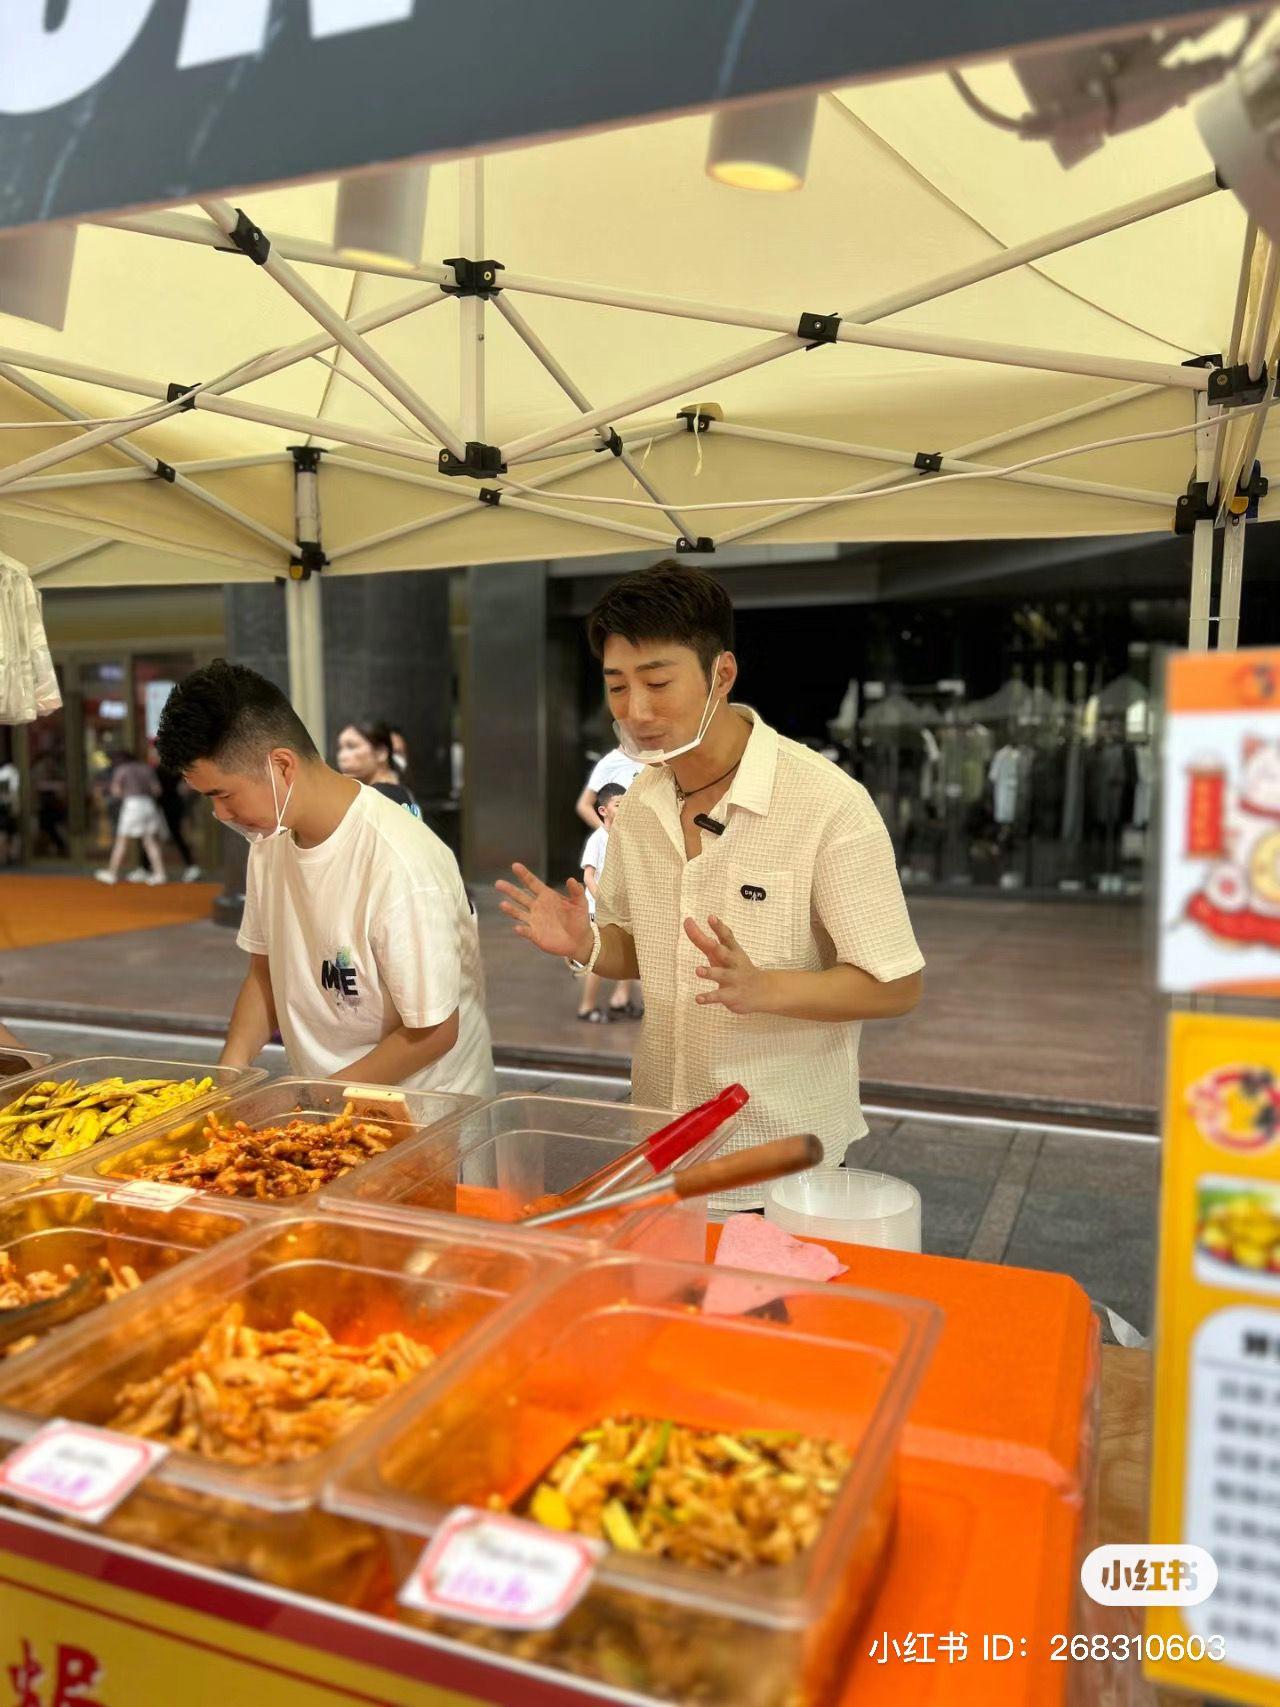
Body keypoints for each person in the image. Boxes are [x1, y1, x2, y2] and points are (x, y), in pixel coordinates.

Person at [499, 562, 924, 1206]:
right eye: (616, 686)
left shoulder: (827, 803)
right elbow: (638, 951)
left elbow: (896, 985)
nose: (637, 711)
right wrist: (586, 944)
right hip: (660, 1144)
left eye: (657, 683)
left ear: (721, 674)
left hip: (782, 1157)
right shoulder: (640, 803)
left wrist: (766, 988)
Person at [157, 661, 495, 1096]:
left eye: (222, 794)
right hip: (327, 1104)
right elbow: (265, 974)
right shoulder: (270, 841)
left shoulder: (400, 861)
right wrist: (228, 1078)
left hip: (426, 1114)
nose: (220, 814)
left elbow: (434, 1033)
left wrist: (313, 1099)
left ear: (282, 766)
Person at [577, 781, 639, 1024]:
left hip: (620, 909)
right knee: (599, 957)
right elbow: (588, 877)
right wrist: (603, 902)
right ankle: (587, 1006)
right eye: (618, 805)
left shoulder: (624, 837)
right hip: (600, 910)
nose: (623, 809)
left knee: (628, 949)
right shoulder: (598, 839)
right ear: (603, 810)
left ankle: (620, 1000)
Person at [95, 751, 167, 887]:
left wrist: (126, 794)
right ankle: (160, 874)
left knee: (121, 841)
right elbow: (157, 790)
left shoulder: (122, 769)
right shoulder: (147, 769)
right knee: (150, 841)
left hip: (132, 805)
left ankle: (112, 873)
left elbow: (116, 791)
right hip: (148, 804)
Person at [336, 718, 420, 814]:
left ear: (381, 753)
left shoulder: (375, 798)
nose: (341, 756)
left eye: (351, 746)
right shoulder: (403, 792)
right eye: (340, 748)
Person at [574, 742, 642, 830]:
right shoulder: (610, 763)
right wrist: (607, 833)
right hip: (629, 834)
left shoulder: (655, 758)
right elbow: (584, 805)